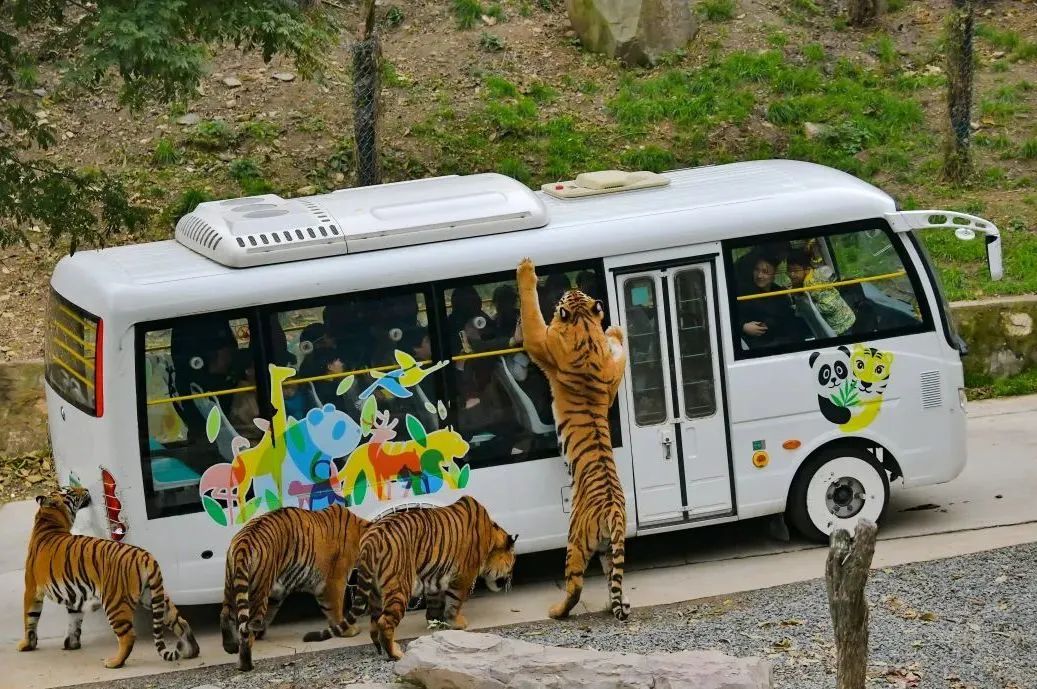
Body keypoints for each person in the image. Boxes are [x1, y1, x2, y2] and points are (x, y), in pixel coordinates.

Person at [785, 248, 856, 336]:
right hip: (846, 319)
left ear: (806, 269)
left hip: (841, 325)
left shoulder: (812, 284)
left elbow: (829, 305)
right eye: (789, 270)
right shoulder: (813, 275)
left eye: (795, 271)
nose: (791, 275)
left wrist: (811, 308)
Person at [738, 253, 798, 349]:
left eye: (765, 272)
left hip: (782, 341)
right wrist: (743, 327)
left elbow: (788, 321)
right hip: (754, 345)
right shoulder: (743, 292)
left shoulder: (780, 293)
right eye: (756, 270)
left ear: (774, 275)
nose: (759, 275)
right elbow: (729, 317)